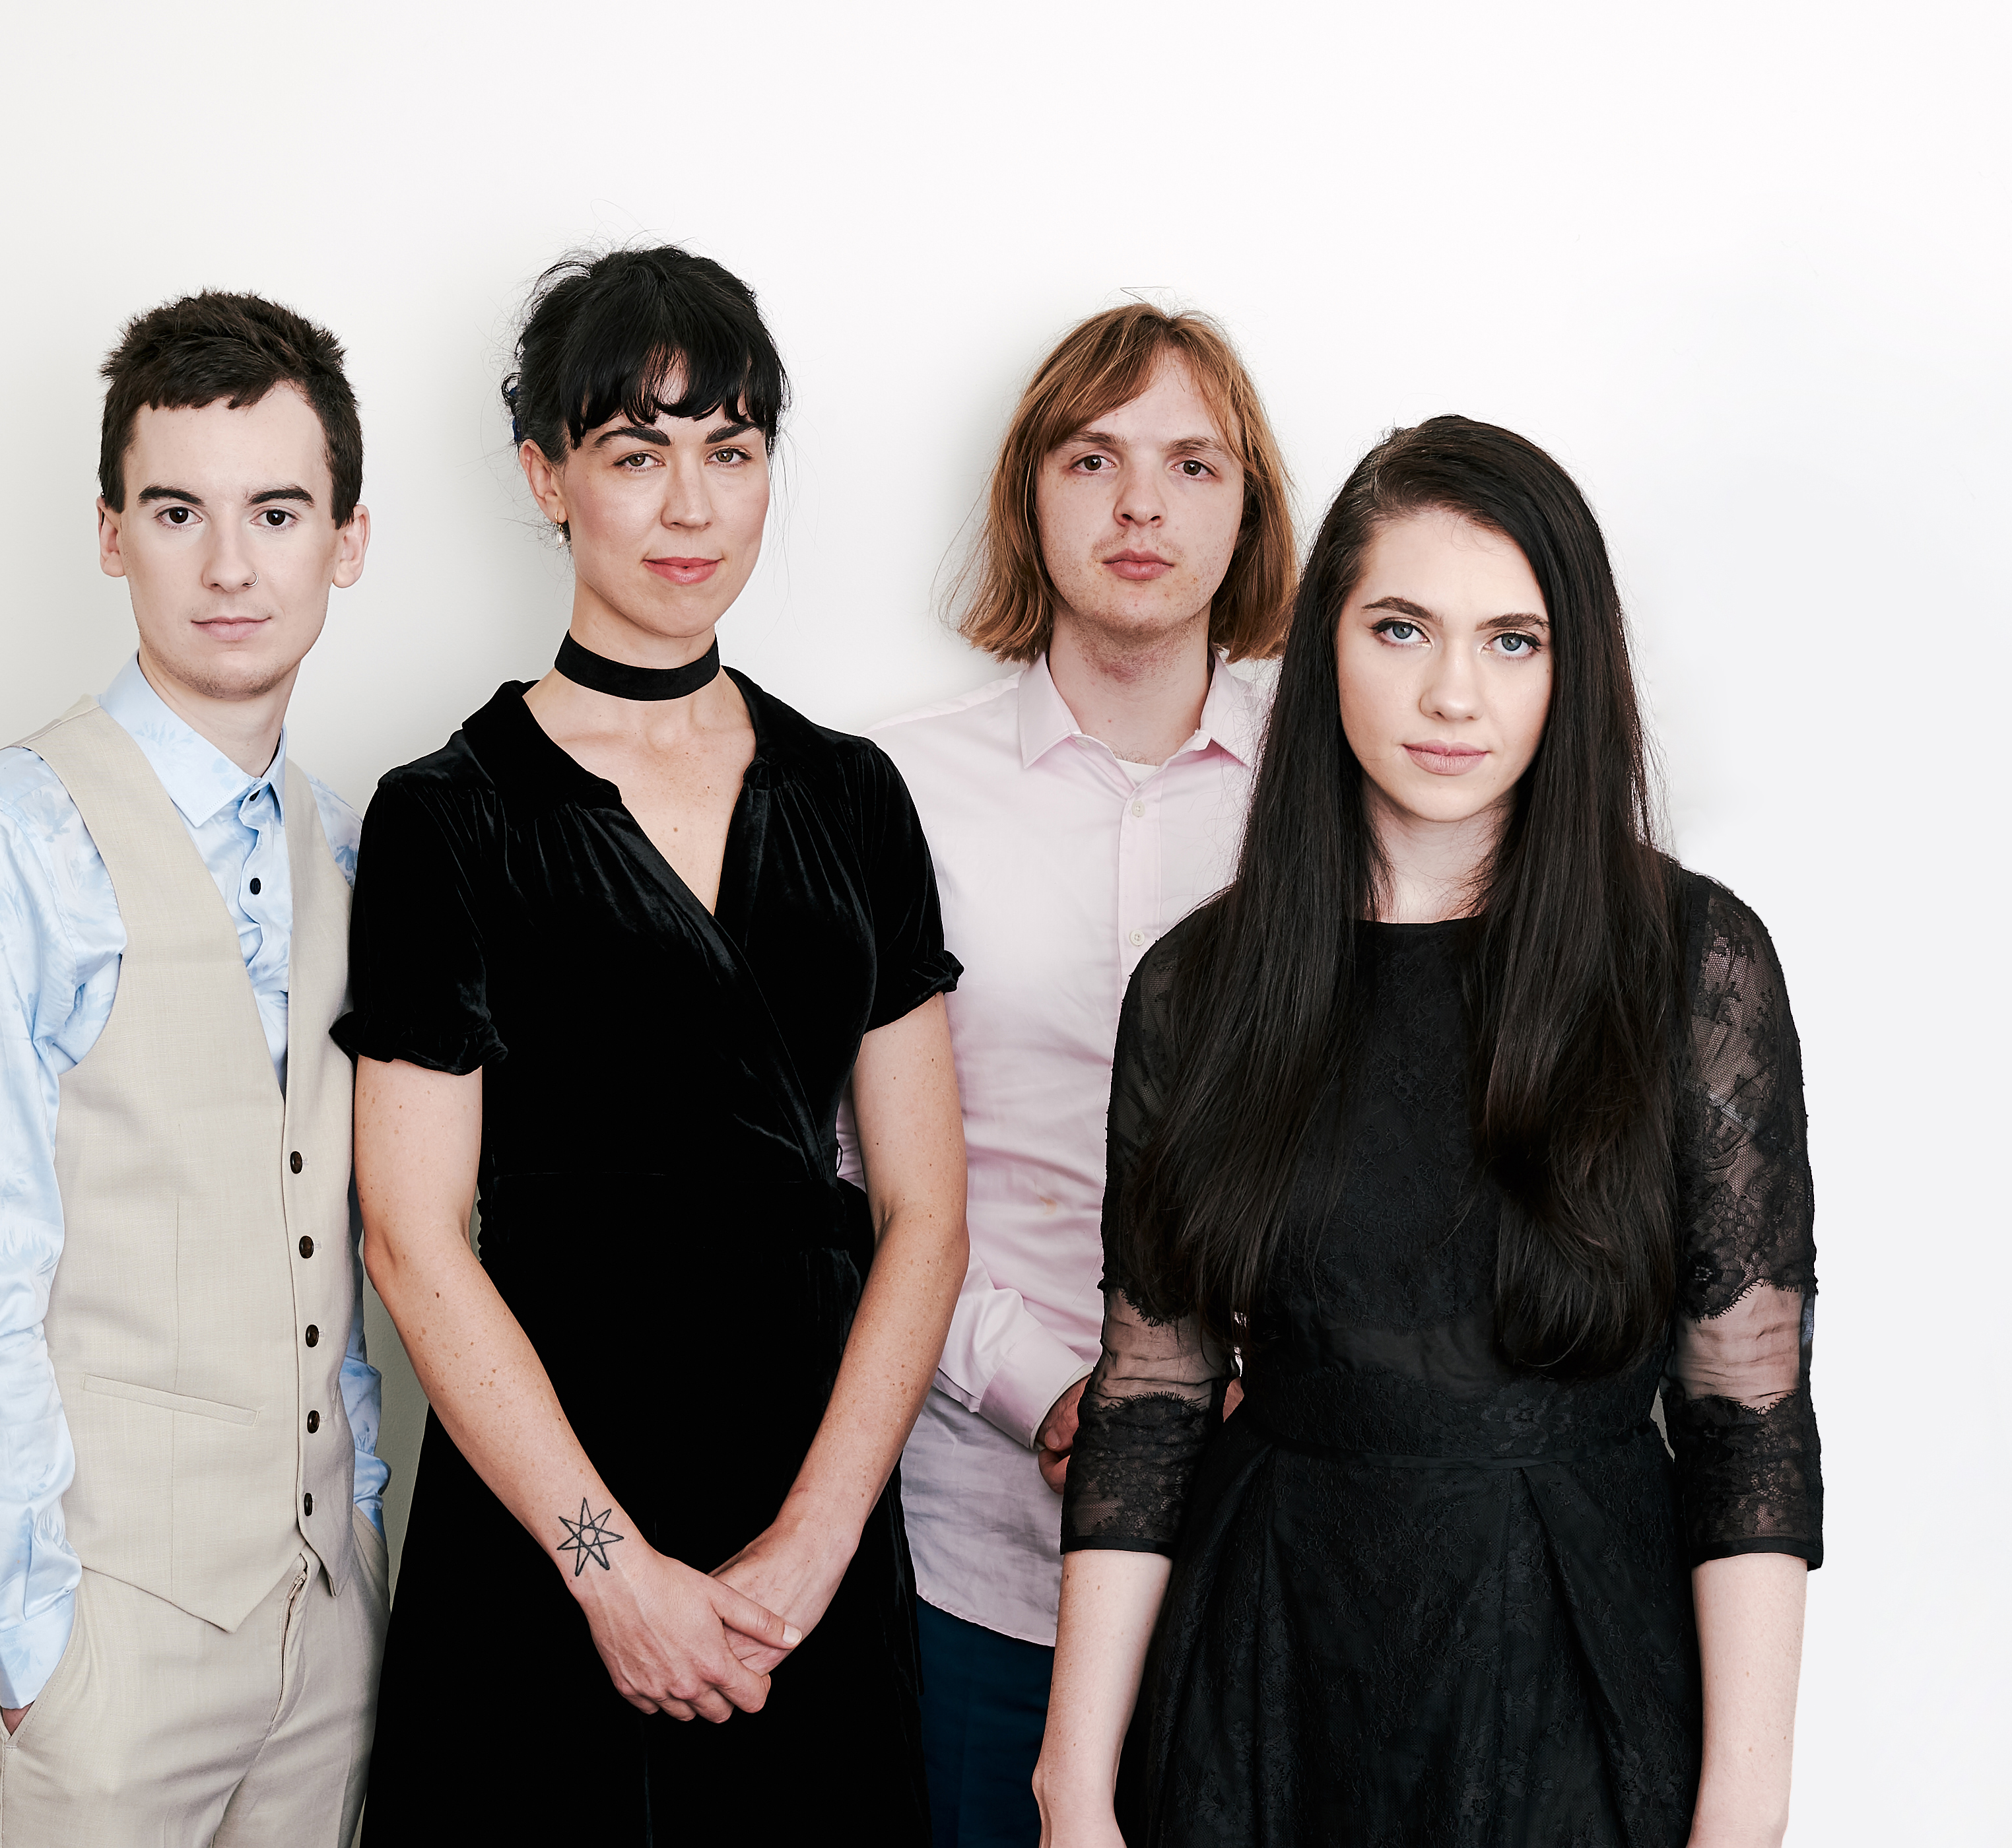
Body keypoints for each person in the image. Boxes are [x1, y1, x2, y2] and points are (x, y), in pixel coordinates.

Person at [1036, 417, 1821, 1848]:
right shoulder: (1199, 985)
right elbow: (1150, 1393)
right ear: (1324, 643)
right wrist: (1071, 1787)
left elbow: (1744, 1410)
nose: (1454, 693)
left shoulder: (1689, 960)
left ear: (1573, 670)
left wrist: (1744, 1812)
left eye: (1513, 641)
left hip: (1580, 1675)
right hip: (1264, 1672)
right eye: (1401, 628)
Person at [339, 246, 968, 1845]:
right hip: (546, 1507)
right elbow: (411, 1235)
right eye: (635, 452)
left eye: (730, 450)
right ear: (544, 476)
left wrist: (816, 1543)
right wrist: (608, 1570)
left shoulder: (851, 795)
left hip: (808, 1511)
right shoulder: (446, 815)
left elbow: (925, 1211)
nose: (691, 505)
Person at [0, 292, 390, 1843]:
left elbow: (324, 1243)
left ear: (346, 541)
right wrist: (35, 1639)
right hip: (101, 1645)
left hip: (325, 1628)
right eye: (177, 511)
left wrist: (358, 1529)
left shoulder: (350, 844)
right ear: (112, 534)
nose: (229, 565)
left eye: (276, 512)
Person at [842, 303, 1295, 1848]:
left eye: (1191, 463)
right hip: (973, 1553)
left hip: (1270, 1547)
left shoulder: (1329, 795)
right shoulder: (893, 789)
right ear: (1027, 496)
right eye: (1091, 459)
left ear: (1248, 509)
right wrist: (1043, 1392)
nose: (1140, 504)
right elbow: (846, 1169)